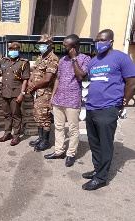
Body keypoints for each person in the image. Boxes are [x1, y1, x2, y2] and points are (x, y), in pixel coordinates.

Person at [82, 29, 135, 190]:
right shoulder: (94, 61)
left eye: (102, 40)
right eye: (97, 40)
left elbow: (131, 83)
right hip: (91, 107)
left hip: (108, 108)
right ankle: (98, 169)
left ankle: (101, 178)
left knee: (105, 145)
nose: (99, 43)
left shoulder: (121, 58)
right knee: (94, 142)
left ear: (111, 41)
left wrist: (122, 103)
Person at [44, 34, 91, 167]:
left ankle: (71, 154)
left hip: (72, 100)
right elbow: (57, 79)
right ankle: (59, 151)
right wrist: (52, 97)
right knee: (58, 127)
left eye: (66, 45)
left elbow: (81, 76)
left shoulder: (84, 59)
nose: (63, 47)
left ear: (74, 47)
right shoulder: (62, 60)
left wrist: (74, 58)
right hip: (59, 99)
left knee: (73, 129)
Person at [0, 42, 30, 146]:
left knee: (16, 115)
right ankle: (7, 133)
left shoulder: (23, 63)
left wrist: (22, 94)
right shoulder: (4, 61)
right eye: (11, 50)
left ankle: (16, 136)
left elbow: (25, 80)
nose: (13, 52)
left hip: (16, 93)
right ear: (8, 50)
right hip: (5, 93)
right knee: (6, 114)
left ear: (19, 51)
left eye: (15, 50)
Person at [28, 34, 59, 151]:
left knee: (44, 117)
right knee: (38, 115)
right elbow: (35, 71)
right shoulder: (40, 57)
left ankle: (45, 141)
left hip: (45, 93)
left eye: (43, 44)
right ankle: (40, 138)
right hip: (37, 92)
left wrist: (33, 87)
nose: (41, 46)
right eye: (40, 44)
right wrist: (31, 81)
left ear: (50, 44)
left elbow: (47, 79)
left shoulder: (53, 59)